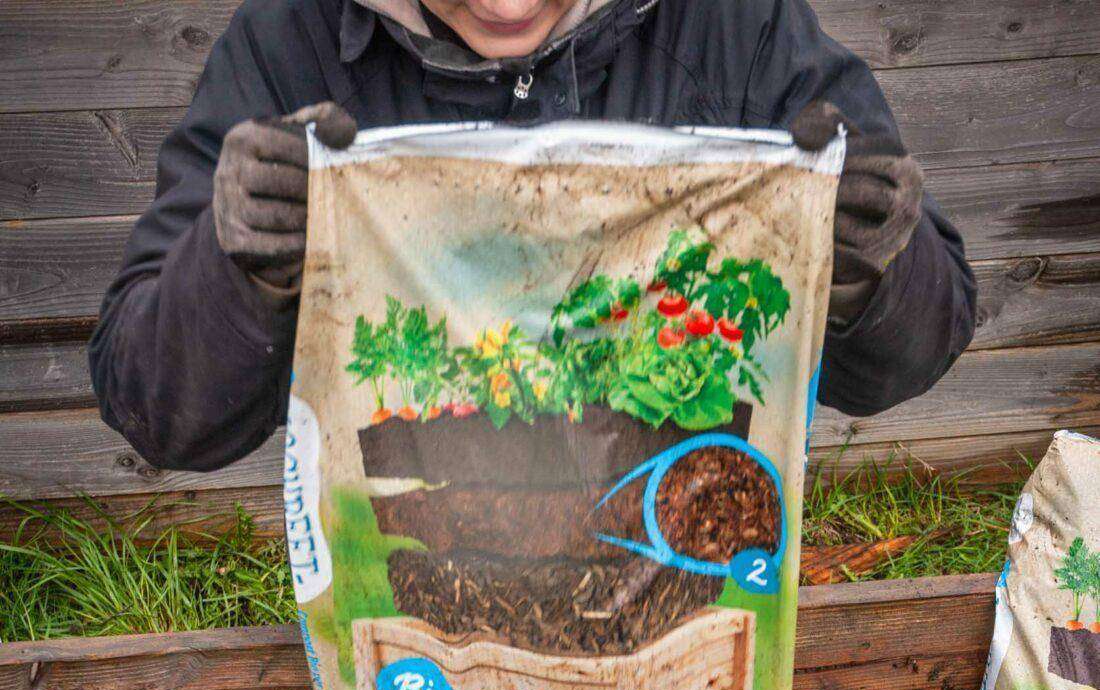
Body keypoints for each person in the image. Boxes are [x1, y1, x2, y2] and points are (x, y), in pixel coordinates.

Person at [89, 0, 976, 473]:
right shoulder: (288, 44)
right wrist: (240, 271)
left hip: (676, 576)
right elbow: (158, 413)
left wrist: (869, 271)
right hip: (410, 638)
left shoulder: (734, 25)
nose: (505, 4)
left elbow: (913, 352)